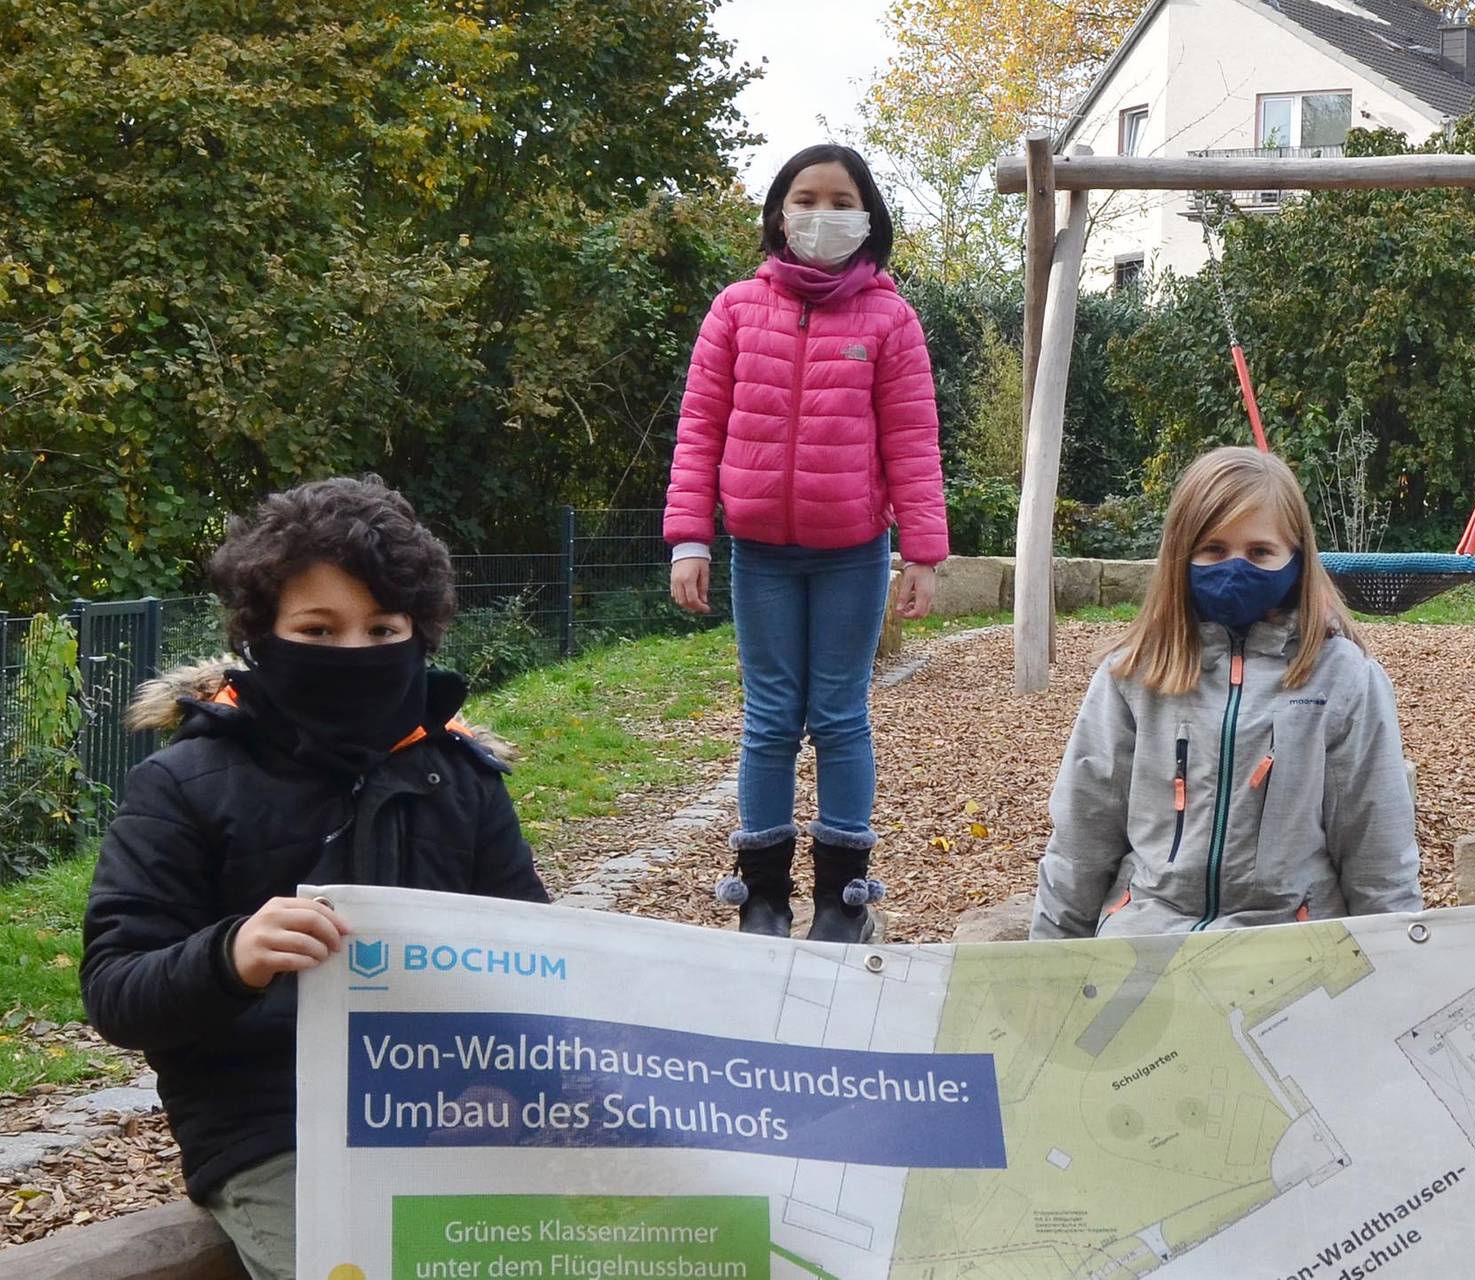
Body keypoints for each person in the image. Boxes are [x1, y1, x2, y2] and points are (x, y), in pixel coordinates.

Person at [80, 478, 549, 1280]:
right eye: (318, 630)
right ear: (263, 635)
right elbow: (116, 988)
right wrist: (232, 956)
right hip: (275, 1129)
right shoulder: (185, 782)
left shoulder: (463, 780)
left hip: (450, 1110)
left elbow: (538, 964)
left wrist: (502, 1084)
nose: (354, 655)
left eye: (382, 629)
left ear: (418, 635)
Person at [665, 142, 948, 942]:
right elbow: (698, 430)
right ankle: (761, 898)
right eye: (805, 198)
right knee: (769, 720)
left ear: (868, 216)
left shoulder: (889, 318)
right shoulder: (735, 310)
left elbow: (913, 441)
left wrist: (922, 553)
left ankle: (841, 901)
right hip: (760, 553)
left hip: (853, 551)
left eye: (839, 200)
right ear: (779, 212)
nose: (821, 215)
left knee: (839, 715)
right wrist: (691, 539)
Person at [1032, 448, 1422, 937]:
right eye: (1213, 550)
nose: (1235, 568)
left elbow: (1377, 842)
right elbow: (1082, 833)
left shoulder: (1344, 679)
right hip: (1148, 931)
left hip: (1290, 938)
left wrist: (1394, 963)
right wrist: (1047, 961)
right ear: (1182, 554)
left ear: (1296, 560)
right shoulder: (1133, 674)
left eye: (1260, 552)